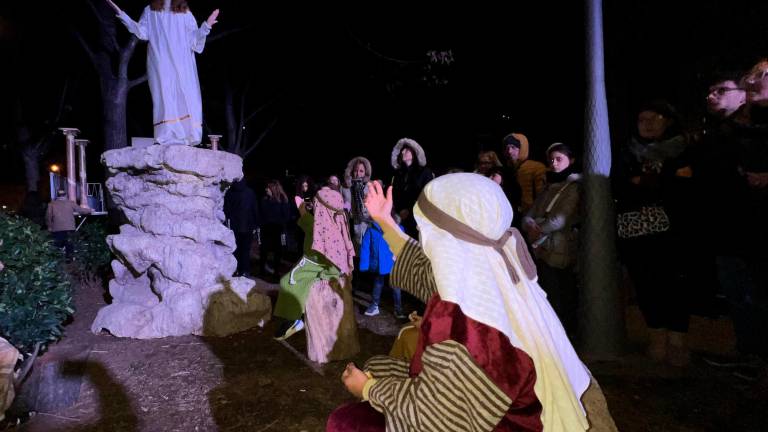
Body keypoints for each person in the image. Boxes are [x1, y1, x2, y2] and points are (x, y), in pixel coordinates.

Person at [329, 174, 616, 431]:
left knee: (345, 421)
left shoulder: (464, 325)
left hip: (506, 421)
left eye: (427, 228)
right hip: (523, 401)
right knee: (379, 365)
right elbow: (427, 272)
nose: (424, 236)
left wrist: (369, 389)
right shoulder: (496, 264)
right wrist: (384, 219)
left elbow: (436, 418)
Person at [107, 0, 219, 145]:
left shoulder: (183, 10)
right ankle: (167, 135)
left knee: (185, 95)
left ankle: (185, 135)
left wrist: (206, 26)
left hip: (181, 63)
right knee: (164, 96)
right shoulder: (150, 10)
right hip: (161, 61)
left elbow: (193, 40)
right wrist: (122, 15)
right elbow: (142, 32)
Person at [273, 187, 359, 364]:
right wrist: (302, 209)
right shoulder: (322, 224)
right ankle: (292, 317)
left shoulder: (329, 231)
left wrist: (322, 278)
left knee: (290, 282)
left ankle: (294, 318)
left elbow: (335, 263)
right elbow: (307, 223)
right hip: (313, 262)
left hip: (317, 267)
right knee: (289, 281)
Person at [522, 143, 581, 340]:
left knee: (560, 291)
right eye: (552, 160)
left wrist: (536, 229)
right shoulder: (549, 185)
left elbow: (561, 219)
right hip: (544, 244)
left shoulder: (573, 186)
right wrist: (530, 223)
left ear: (570, 160)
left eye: (559, 159)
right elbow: (532, 211)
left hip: (559, 244)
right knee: (549, 289)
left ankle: (563, 333)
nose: (554, 164)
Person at [360, 208, 406, 318]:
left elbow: (403, 245)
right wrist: (364, 263)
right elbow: (365, 247)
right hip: (378, 263)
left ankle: (398, 309)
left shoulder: (398, 229)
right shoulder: (372, 229)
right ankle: (375, 305)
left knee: (396, 286)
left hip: (393, 263)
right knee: (378, 283)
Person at [389, 138, 434, 238]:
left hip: (418, 219)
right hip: (400, 218)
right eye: (402, 150)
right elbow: (394, 194)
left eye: (407, 150)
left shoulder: (425, 172)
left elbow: (426, 194)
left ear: (414, 153)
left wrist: (409, 210)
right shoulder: (398, 174)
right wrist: (400, 210)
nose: (402, 152)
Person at [223, 179, 260, 277]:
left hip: (234, 227)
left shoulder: (230, 192)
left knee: (236, 249)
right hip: (248, 226)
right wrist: (256, 224)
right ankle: (245, 271)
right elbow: (254, 209)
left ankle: (235, 270)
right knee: (246, 250)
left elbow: (226, 210)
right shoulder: (250, 192)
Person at [46, 189, 92, 256]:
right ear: (65, 195)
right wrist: (90, 210)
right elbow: (81, 210)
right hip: (69, 228)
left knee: (57, 247)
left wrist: (49, 226)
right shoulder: (70, 203)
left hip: (57, 229)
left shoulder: (51, 204)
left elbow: (48, 216)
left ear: (57, 196)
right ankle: (69, 260)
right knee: (69, 246)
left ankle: (57, 261)